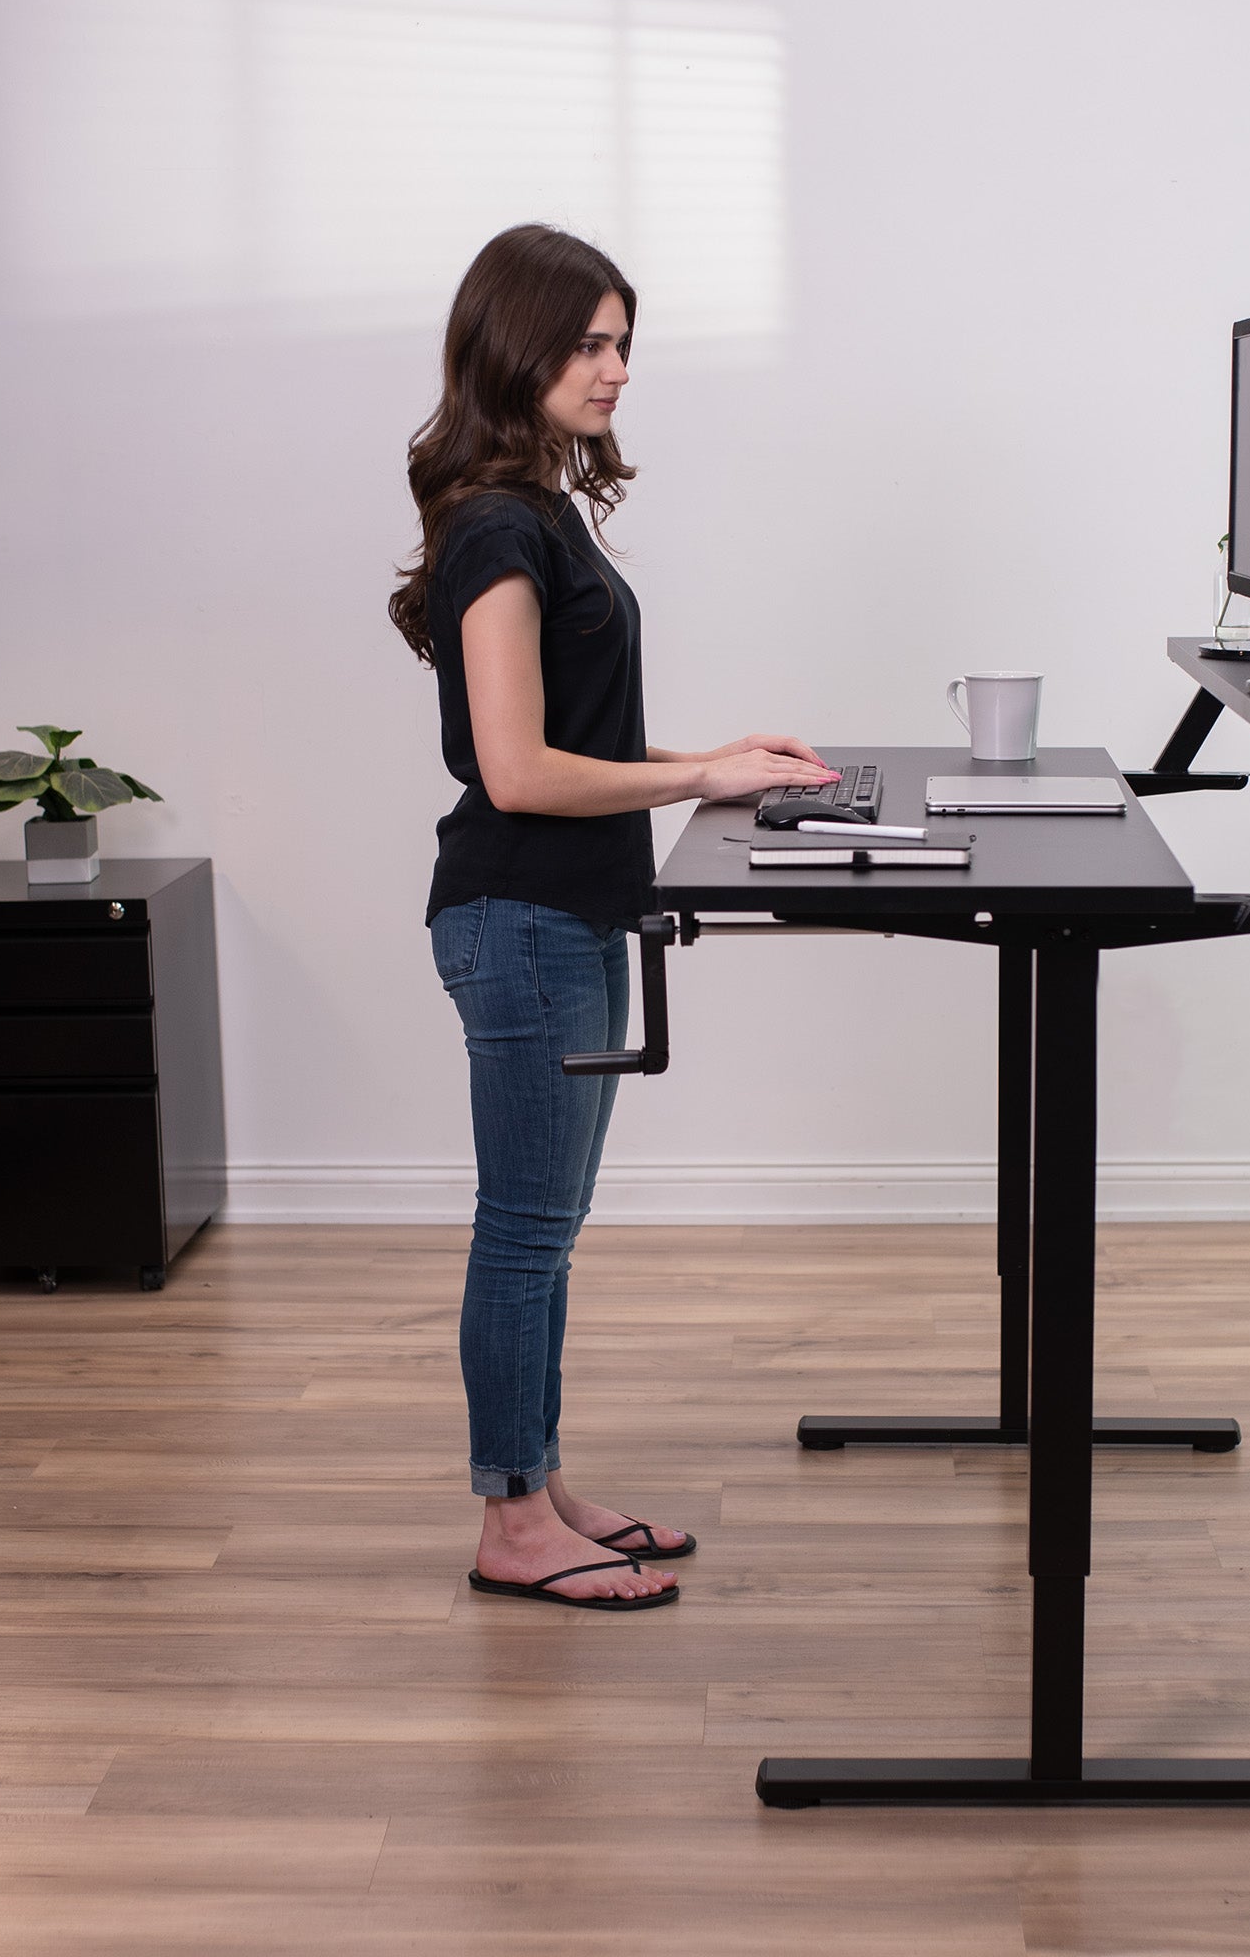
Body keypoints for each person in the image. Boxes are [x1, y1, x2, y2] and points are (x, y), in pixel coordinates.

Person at [390, 224, 835, 1611]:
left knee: (549, 1228)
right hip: (519, 919)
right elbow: (515, 770)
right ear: (516, 347)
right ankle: (508, 1523)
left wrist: (715, 760)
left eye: (624, 342)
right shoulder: (498, 529)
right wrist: (699, 773)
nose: (618, 368)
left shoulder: (542, 511)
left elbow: (565, 744)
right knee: (523, 1227)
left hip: (572, 912)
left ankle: (539, 1481)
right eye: (590, 342)